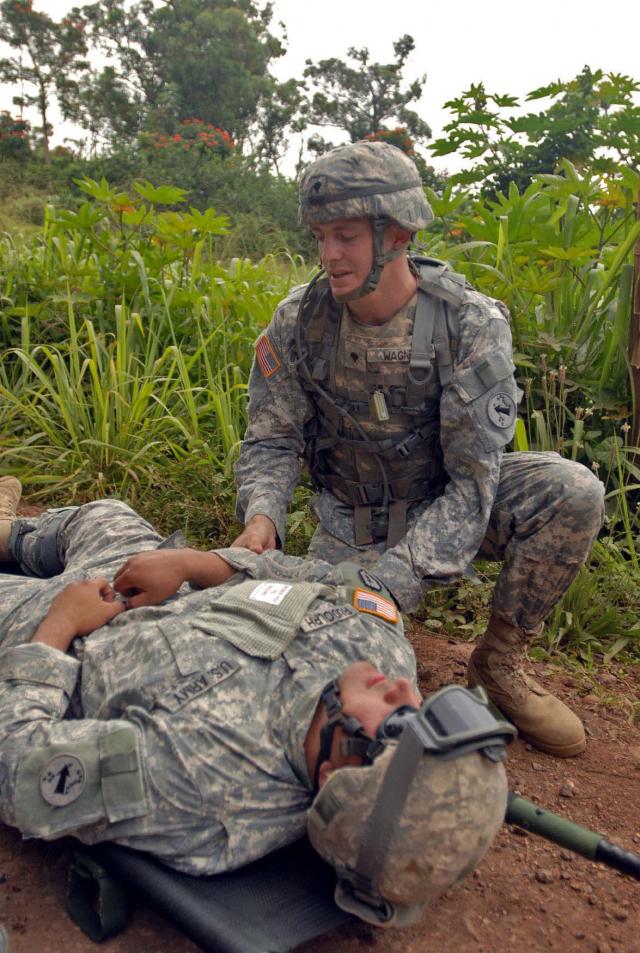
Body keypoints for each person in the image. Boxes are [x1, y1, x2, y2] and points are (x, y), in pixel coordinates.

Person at [233, 139, 605, 759]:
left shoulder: (468, 325)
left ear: (398, 233)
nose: (328, 254)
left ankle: (498, 667)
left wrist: (393, 581)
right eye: (321, 235)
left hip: (442, 506)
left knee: (572, 491)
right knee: (338, 694)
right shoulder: (300, 319)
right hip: (349, 523)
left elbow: (471, 485)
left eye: (346, 235)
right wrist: (262, 516)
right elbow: (272, 436)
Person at [0, 479, 510, 927]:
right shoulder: (379, 644)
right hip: (151, 585)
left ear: (335, 773)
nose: (403, 690)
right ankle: (10, 531)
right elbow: (314, 578)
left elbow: (20, 766)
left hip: (47, 639)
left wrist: (59, 624)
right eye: (425, 706)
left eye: (400, 722)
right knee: (105, 514)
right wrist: (190, 563)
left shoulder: (205, 787)